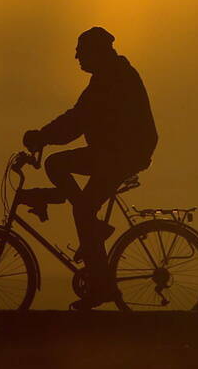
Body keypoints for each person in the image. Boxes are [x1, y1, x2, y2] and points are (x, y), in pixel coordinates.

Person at [22, 26, 158, 310]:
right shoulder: (107, 76)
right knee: (76, 197)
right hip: (113, 153)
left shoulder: (112, 79)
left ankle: (101, 287)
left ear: (97, 53)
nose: (76, 57)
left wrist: (41, 136)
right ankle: (90, 229)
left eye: (81, 51)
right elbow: (78, 117)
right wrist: (45, 135)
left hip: (122, 154)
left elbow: (78, 120)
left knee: (75, 196)